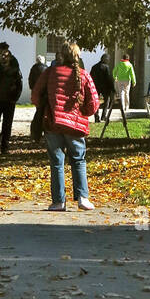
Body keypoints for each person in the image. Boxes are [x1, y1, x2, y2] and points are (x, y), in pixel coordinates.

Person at [32, 40, 99, 210]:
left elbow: (35, 95)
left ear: (61, 55)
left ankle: (58, 201)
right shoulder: (83, 75)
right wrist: (83, 112)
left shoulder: (49, 73)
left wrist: (45, 106)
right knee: (78, 160)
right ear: (77, 56)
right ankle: (82, 197)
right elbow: (94, 103)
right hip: (75, 126)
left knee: (56, 162)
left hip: (53, 123)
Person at [89, 54, 115, 123]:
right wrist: (113, 88)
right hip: (105, 87)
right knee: (107, 101)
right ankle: (104, 116)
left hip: (96, 86)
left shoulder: (94, 67)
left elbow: (90, 77)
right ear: (104, 59)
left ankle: (96, 117)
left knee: (96, 102)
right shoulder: (106, 67)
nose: (108, 61)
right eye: (108, 59)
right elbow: (109, 78)